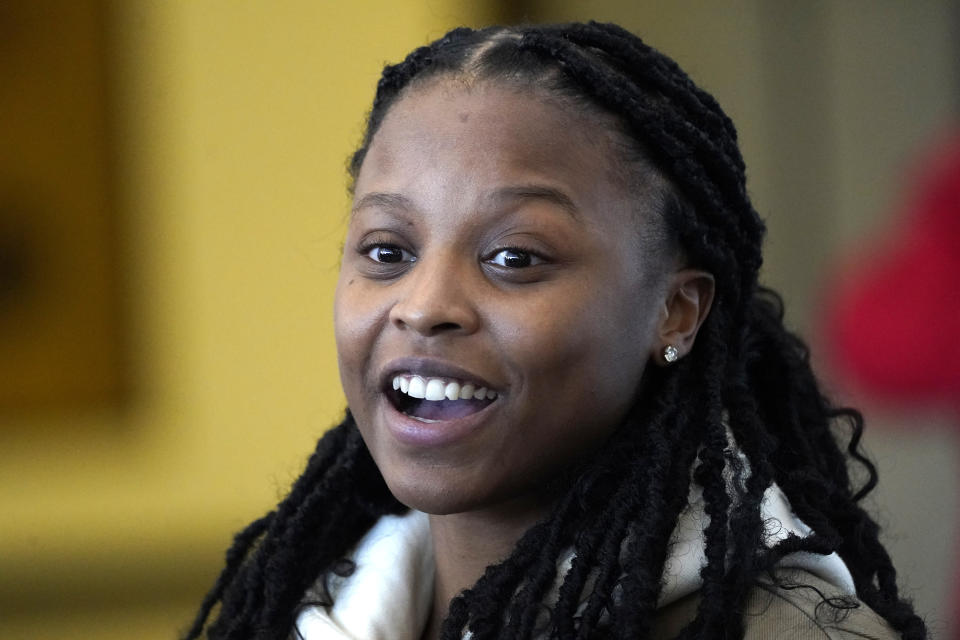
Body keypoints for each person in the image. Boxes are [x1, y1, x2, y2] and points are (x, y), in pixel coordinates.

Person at [183, 22, 927, 640]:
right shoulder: (307, 613)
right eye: (387, 252)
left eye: (514, 257)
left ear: (675, 312)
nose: (424, 304)